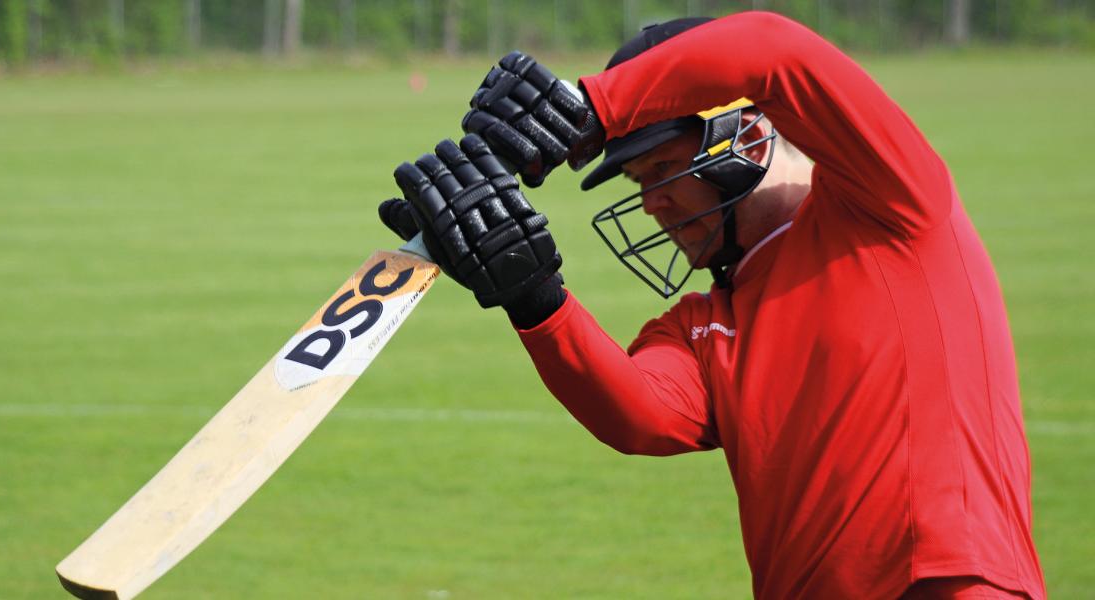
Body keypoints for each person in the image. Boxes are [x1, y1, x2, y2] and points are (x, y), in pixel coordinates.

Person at [378, 12, 1045, 600]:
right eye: (638, 182)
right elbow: (639, 415)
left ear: (743, 136)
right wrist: (531, 296)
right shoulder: (705, 322)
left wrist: (596, 107)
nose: (650, 203)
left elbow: (774, 52)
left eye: (660, 170)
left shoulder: (890, 205)